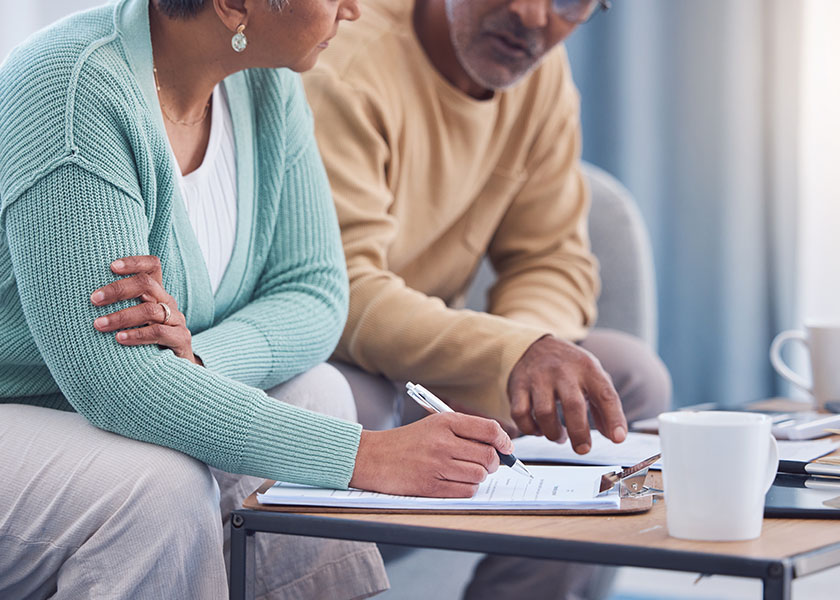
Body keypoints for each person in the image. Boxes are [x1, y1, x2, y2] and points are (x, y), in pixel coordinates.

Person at [0, 0, 515, 598]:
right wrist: (363, 456)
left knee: (320, 391)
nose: (354, 8)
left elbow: (315, 293)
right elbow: (114, 383)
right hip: (22, 408)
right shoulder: (72, 91)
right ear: (233, 5)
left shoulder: (266, 82)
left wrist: (199, 362)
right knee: (157, 488)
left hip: (98, 400)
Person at [303, 0, 672, 597]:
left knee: (627, 380)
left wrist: (521, 356)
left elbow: (551, 257)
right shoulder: (346, 61)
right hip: (343, 349)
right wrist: (510, 352)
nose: (532, 16)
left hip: (443, 352)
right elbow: (341, 291)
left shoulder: (541, 75)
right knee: (347, 401)